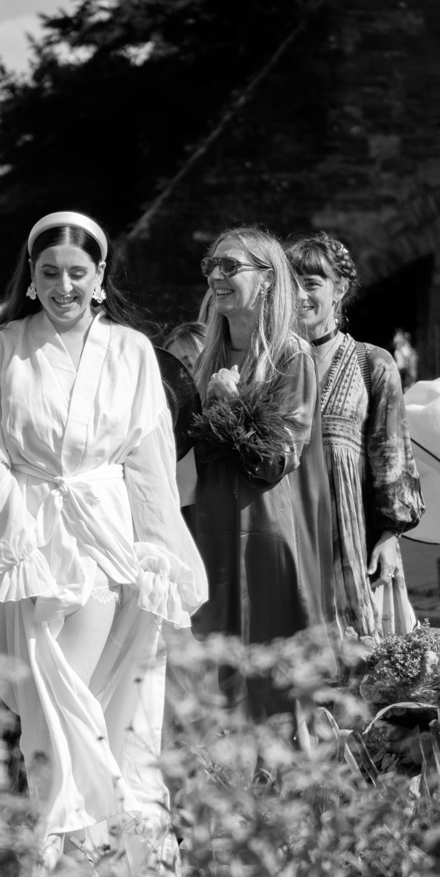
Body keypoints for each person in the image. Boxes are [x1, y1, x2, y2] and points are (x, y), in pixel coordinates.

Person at [0, 210, 206, 877]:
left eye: (77, 273)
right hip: (33, 539)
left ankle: (103, 866)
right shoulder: (3, 349)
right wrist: (15, 535)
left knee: (108, 707)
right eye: (50, 272)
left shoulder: (131, 351)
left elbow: (150, 459)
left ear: (100, 276)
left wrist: (159, 550)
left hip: (109, 537)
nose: (64, 286)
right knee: (48, 708)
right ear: (31, 277)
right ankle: (76, 868)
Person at [186, 226, 330, 720]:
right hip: (208, 525)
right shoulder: (208, 357)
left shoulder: (291, 355)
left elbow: (276, 458)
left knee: (266, 674)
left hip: (263, 529)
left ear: (267, 279)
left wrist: (232, 404)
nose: (216, 276)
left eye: (231, 266)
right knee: (212, 663)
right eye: (211, 265)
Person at [286, 232, 424, 639]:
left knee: (360, 655)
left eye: (312, 284)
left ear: (339, 290)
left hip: (353, 541)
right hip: (288, 539)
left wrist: (389, 536)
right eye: (291, 285)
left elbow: (392, 455)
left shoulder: (373, 364)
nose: (300, 296)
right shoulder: (273, 364)